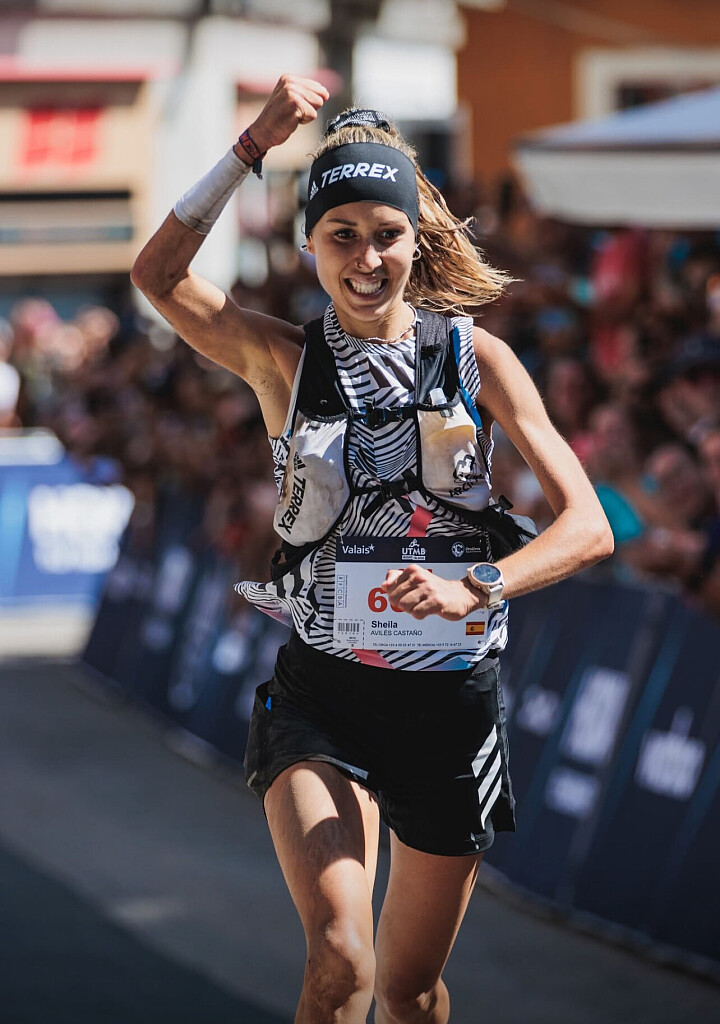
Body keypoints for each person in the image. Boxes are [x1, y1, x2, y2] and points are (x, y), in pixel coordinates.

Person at [132, 75, 613, 1024]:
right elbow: (158, 279)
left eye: (385, 233)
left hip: (449, 705)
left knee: (407, 989)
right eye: (340, 235)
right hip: (324, 697)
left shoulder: (477, 359)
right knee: (341, 959)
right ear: (309, 245)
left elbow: (589, 527)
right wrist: (249, 147)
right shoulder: (283, 359)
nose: (366, 259)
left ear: (416, 238)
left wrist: (480, 586)